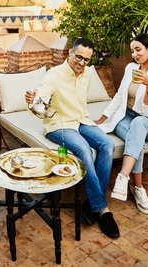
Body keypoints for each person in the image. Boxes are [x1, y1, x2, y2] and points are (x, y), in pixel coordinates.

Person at [25, 38, 120, 238]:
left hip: (81, 120)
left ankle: (93, 201)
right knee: (83, 149)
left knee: (107, 143)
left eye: (86, 59)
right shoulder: (54, 74)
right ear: (70, 52)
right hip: (58, 125)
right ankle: (102, 209)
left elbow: (80, 105)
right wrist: (33, 101)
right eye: (79, 57)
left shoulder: (87, 75)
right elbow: (41, 100)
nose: (82, 63)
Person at [95, 34, 148, 215]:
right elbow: (120, 96)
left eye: (138, 49)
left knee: (138, 124)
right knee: (134, 137)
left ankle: (123, 176)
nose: (135, 54)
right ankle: (138, 188)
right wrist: (103, 117)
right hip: (126, 117)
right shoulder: (130, 68)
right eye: (132, 51)